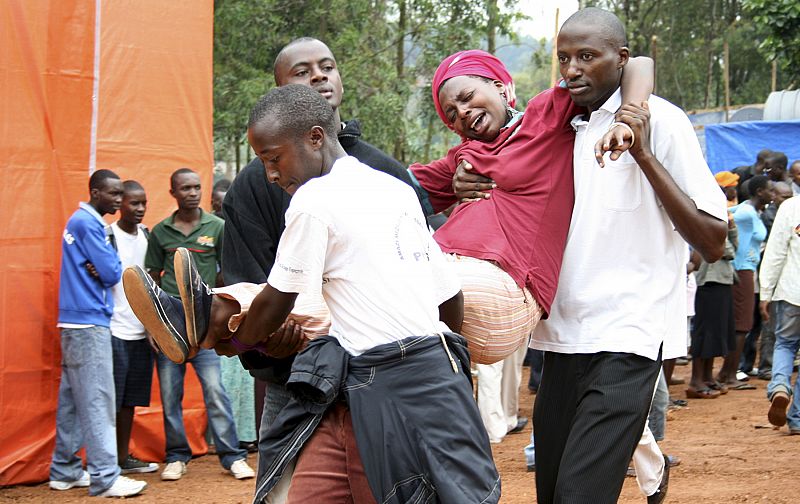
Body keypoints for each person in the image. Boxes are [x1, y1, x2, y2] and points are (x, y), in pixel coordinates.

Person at [125, 84, 501, 503]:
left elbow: (275, 304)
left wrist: (239, 342)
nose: (270, 174)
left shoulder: (313, 200)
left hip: (384, 386)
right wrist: (443, 363)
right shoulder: (394, 189)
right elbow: (449, 296)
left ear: (316, 138)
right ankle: (197, 318)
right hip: (393, 375)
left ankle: (203, 324)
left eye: (273, 159)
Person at [527, 8, 726, 503]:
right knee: (552, 494)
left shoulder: (664, 121)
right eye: (564, 58)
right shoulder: (557, 125)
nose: (571, 69)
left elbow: (714, 239)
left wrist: (642, 151)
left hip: (627, 337)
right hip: (558, 339)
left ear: (620, 60)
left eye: (587, 57)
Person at [218, 37, 426, 502]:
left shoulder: (388, 175)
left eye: (327, 66)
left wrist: (240, 338)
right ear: (279, 94)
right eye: (302, 71)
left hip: (378, 377)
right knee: (286, 490)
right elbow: (251, 282)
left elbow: (428, 278)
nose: (319, 76)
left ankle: (190, 316)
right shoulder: (254, 185)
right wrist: (267, 340)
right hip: (294, 377)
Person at [144, 168, 255, 481]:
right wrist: (154, 325)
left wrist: (224, 317)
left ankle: (232, 456)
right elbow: (152, 278)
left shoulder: (216, 226)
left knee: (215, 391)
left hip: (205, 325)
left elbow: (225, 273)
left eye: (196, 187)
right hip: (170, 324)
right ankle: (177, 457)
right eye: (185, 188)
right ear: (173, 193)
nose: (192, 193)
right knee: (170, 395)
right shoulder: (161, 231)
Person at [49, 169, 147, 497]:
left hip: (75, 322)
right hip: (88, 322)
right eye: (113, 194)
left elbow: (107, 269)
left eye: (121, 194)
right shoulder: (89, 223)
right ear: (95, 193)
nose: (119, 201)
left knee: (73, 402)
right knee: (98, 398)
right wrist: (107, 266)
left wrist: (106, 266)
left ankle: (64, 470)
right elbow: (111, 272)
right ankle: (105, 476)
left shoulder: (83, 221)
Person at [109, 180, 159, 474]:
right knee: (111, 400)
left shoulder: (147, 235)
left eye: (143, 203)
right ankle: (105, 462)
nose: (140, 209)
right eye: (133, 203)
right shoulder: (107, 236)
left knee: (130, 400)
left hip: (142, 332)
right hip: (115, 330)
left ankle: (121, 458)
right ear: (120, 204)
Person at [718, 175, 774, 389]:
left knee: (741, 324)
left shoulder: (749, 210)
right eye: (769, 190)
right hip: (742, 270)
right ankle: (730, 375)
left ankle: (727, 373)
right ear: (760, 192)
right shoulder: (747, 212)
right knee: (742, 324)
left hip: (746, 270)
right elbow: (730, 217)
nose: (773, 193)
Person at [760, 189, 800, 432]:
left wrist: (765, 292)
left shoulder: (791, 207)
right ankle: (797, 419)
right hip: (790, 291)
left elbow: (775, 253)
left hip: (791, 291)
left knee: (785, 343)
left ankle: (779, 386)